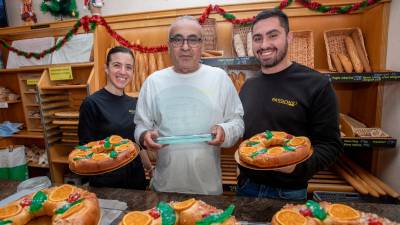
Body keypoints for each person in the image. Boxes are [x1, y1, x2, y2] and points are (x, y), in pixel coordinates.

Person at [237, 9, 343, 200]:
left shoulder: (316, 84)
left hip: (289, 193)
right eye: (257, 38)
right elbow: (247, 138)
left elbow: (331, 145)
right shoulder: (248, 86)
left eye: (273, 35)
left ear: (289, 37)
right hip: (246, 188)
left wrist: (297, 167)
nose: (264, 44)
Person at [134, 16, 244, 195]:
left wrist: (225, 131)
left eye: (193, 39)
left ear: (202, 45)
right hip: (164, 188)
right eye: (178, 40)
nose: (185, 47)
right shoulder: (153, 81)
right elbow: (140, 125)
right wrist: (144, 136)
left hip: (207, 190)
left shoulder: (220, 78)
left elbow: (237, 122)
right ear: (169, 45)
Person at [78, 46, 152, 189]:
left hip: (136, 178)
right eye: (117, 65)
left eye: (128, 67)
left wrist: (149, 168)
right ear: (106, 68)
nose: (123, 72)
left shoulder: (134, 103)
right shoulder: (92, 103)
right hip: (107, 182)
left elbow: (135, 143)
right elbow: (85, 150)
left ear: (133, 72)